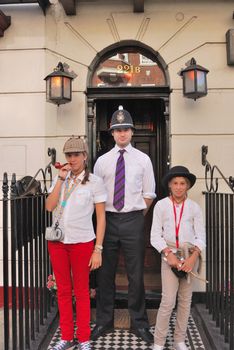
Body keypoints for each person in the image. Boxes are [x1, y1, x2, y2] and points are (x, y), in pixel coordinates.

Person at [91, 106, 156, 344]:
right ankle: (103, 322)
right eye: (117, 130)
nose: (122, 134)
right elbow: (97, 195)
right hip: (107, 221)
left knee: (136, 275)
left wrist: (136, 215)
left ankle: (139, 323)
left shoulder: (143, 159)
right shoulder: (101, 162)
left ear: (132, 132)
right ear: (112, 133)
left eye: (126, 129)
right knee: (104, 275)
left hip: (133, 220)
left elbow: (149, 193)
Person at [46, 136, 107, 350]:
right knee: (63, 290)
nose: (72, 159)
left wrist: (98, 249)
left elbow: (101, 218)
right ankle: (66, 335)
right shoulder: (59, 179)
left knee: (81, 291)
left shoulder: (95, 182)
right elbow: (49, 206)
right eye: (69, 155)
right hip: (58, 243)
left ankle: (83, 338)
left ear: (85, 156)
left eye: (76, 155)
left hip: (82, 242)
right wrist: (61, 180)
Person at [150, 166, 206, 350]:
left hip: (190, 254)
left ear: (188, 186)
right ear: (169, 185)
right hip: (170, 254)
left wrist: (193, 258)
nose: (179, 187)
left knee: (185, 299)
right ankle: (159, 341)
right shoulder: (161, 205)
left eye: (183, 183)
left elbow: (201, 236)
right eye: (175, 183)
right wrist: (168, 254)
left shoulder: (194, 208)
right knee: (168, 300)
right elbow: (155, 235)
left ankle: (179, 340)